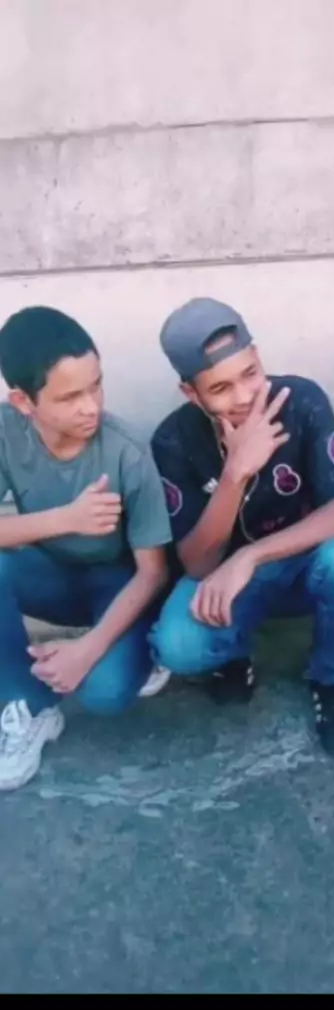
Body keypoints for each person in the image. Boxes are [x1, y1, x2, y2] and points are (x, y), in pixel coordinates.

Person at [149, 297, 334, 760]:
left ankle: (331, 680)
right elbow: (197, 563)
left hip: (305, 567)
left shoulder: (301, 401)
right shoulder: (173, 439)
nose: (243, 396)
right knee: (177, 646)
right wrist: (235, 473)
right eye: (220, 388)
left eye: (250, 373)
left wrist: (249, 555)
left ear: (258, 357)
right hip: (228, 585)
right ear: (191, 393)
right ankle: (235, 655)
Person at [0, 306, 172, 791]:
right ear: (23, 401)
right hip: (49, 575)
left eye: (96, 386)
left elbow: (153, 572)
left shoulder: (125, 450)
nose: (91, 407)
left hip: (117, 584)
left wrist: (86, 651)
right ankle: (28, 705)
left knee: (103, 692)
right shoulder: (6, 432)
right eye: (70, 397)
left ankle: (139, 647)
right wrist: (65, 519)